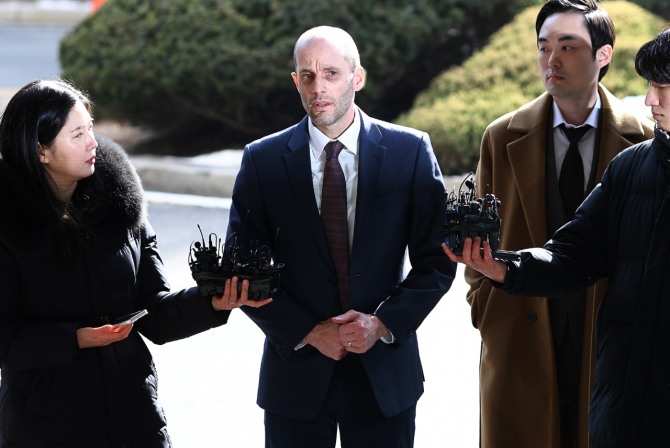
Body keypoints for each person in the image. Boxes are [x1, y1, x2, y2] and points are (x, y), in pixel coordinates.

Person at [0, 79, 270, 447]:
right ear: (40, 150)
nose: (93, 142)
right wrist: (75, 339)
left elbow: (154, 313)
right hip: (47, 426)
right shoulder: (7, 225)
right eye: (77, 134)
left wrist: (213, 303)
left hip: (134, 413)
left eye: (90, 128)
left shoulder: (119, 207)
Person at [226, 25, 456, 448]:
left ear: (357, 77)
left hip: (384, 374)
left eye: (331, 73)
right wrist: (309, 331)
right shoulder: (262, 160)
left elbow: (436, 262)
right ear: (296, 82)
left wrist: (382, 323)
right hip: (295, 377)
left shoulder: (410, 152)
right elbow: (242, 270)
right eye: (308, 75)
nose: (319, 87)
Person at [445, 26, 670, 448]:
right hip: (623, 413)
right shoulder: (630, 169)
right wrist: (505, 268)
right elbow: (574, 254)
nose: (649, 100)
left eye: (662, 87)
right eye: (649, 86)